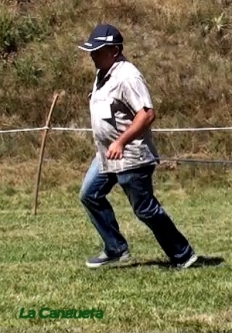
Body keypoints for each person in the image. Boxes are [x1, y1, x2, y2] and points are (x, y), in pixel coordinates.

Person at [78, 24, 198, 268]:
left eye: (98, 50)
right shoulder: (103, 73)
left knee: (145, 209)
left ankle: (183, 255)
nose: (92, 55)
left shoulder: (128, 76)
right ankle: (115, 248)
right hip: (106, 156)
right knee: (89, 194)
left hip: (131, 156)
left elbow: (146, 114)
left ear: (114, 50)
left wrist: (121, 141)